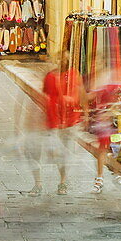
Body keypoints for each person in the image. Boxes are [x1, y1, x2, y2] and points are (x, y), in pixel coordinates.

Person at [41, 50, 87, 195]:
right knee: (56, 151)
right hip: (54, 119)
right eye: (60, 59)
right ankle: (63, 175)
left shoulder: (74, 74)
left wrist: (82, 110)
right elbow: (46, 96)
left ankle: (63, 180)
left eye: (65, 59)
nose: (63, 62)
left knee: (64, 153)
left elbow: (80, 93)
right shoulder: (50, 76)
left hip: (70, 119)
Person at [88, 67, 121, 193]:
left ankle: (114, 173)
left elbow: (118, 101)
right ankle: (100, 177)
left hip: (112, 122)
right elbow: (90, 97)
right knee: (103, 150)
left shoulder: (112, 86)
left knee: (115, 148)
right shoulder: (104, 87)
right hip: (104, 124)